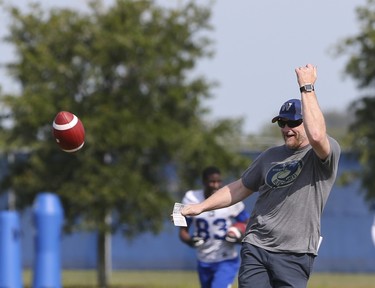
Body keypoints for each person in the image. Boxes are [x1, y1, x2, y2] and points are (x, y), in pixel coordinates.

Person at [181, 64, 341, 288]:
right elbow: (239, 188)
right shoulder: (270, 156)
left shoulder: (322, 154)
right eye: (282, 123)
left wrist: (307, 88)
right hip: (256, 245)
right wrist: (201, 207)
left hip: (294, 252)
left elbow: (316, 134)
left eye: (294, 122)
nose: (287, 128)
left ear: (307, 120)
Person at [179, 166, 250, 288]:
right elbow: (182, 231)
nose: (216, 185)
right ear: (204, 182)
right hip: (204, 259)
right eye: (212, 181)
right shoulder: (191, 197)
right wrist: (191, 241)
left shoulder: (229, 197)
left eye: (218, 181)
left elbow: (248, 224)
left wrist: (238, 236)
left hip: (226, 259)